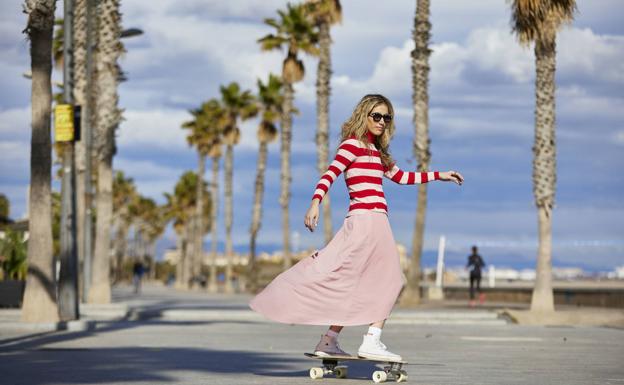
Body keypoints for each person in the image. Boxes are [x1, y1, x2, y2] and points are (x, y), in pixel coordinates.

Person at [249, 94, 464, 361]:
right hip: (367, 220)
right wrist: (315, 203)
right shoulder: (352, 146)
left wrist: (439, 175)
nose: (382, 122)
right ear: (364, 115)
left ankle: (329, 340)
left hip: (373, 221)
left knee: (355, 282)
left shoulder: (378, 152)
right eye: (376, 116)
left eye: (387, 117)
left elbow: (402, 177)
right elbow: (330, 174)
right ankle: (372, 340)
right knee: (394, 280)